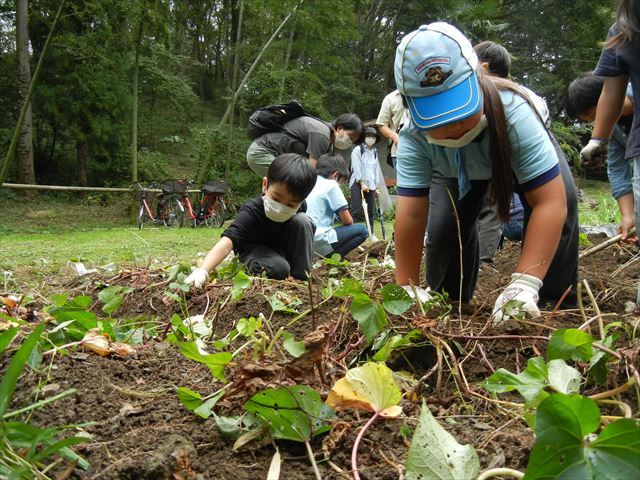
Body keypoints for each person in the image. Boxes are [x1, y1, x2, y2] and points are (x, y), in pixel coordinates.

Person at [393, 22, 579, 324]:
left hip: (509, 149)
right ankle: (450, 303)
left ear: (478, 78)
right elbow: (412, 214)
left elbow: (549, 201)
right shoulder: (414, 135)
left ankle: (551, 305)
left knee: (566, 202)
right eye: (437, 116)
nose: (453, 126)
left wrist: (524, 283)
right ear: (410, 105)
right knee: (444, 229)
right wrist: (405, 288)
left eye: (459, 107)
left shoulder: (514, 113)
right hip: (453, 168)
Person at [185, 153, 317, 287]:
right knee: (279, 268)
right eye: (276, 198)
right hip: (255, 250)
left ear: (301, 201)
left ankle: (301, 278)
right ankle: (266, 268)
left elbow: (301, 234)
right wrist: (202, 271)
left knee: (303, 221)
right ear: (265, 185)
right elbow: (228, 240)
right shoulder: (253, 210)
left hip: (280, 250)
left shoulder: (301, 207)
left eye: (290, 205)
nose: (281, 207)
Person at [473, 40, 551, 264]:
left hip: (497, 163)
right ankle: (533, 260)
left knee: (489, 208)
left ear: (483, 67)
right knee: (533, 208)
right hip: (533, 165)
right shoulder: (527, 94)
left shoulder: (485, 95)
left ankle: (482, 261)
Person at [567, 73, 635, 239]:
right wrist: (629, 216)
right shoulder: (615, 129)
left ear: (606, 96)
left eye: (592, 114)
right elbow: (618, 169)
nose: (594, 122)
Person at [246, 113, 364, 177]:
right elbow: (310, 171)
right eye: (351, 137)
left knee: (288, 187)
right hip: (262, 152)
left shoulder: (329, 144)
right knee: (290, 184)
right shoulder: (322, 134)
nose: (350, 142)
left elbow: (320, 171)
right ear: (340, 128)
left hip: (276, 157)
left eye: (353, 141)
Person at [306, 154, 368, 258]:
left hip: (302, 242)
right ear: (335, 175)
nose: (340, 185)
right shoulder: (331, 184)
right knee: (362, 230)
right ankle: (332, 257)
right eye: (341, 181)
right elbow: (348, 221)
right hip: (318, 240)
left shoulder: (309, 181)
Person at [349, 126, 380, 228]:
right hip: (357, 183)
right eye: (368, 135)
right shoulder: (358, 150)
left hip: (370, 185)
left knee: (371, 211)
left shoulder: (375, 152)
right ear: (364, 137)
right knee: (356, 210)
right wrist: (362, 183)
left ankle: (371, 234)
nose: (371, 138)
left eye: (373, 136)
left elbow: (375, 170)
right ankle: (354, 234)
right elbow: (356, 167)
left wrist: (376, 187)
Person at [376, 90, 409, 168]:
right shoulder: (390, 98)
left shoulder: (423, 92)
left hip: (425, 150)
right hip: (399, 152)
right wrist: (394, 136)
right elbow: (381, 124)